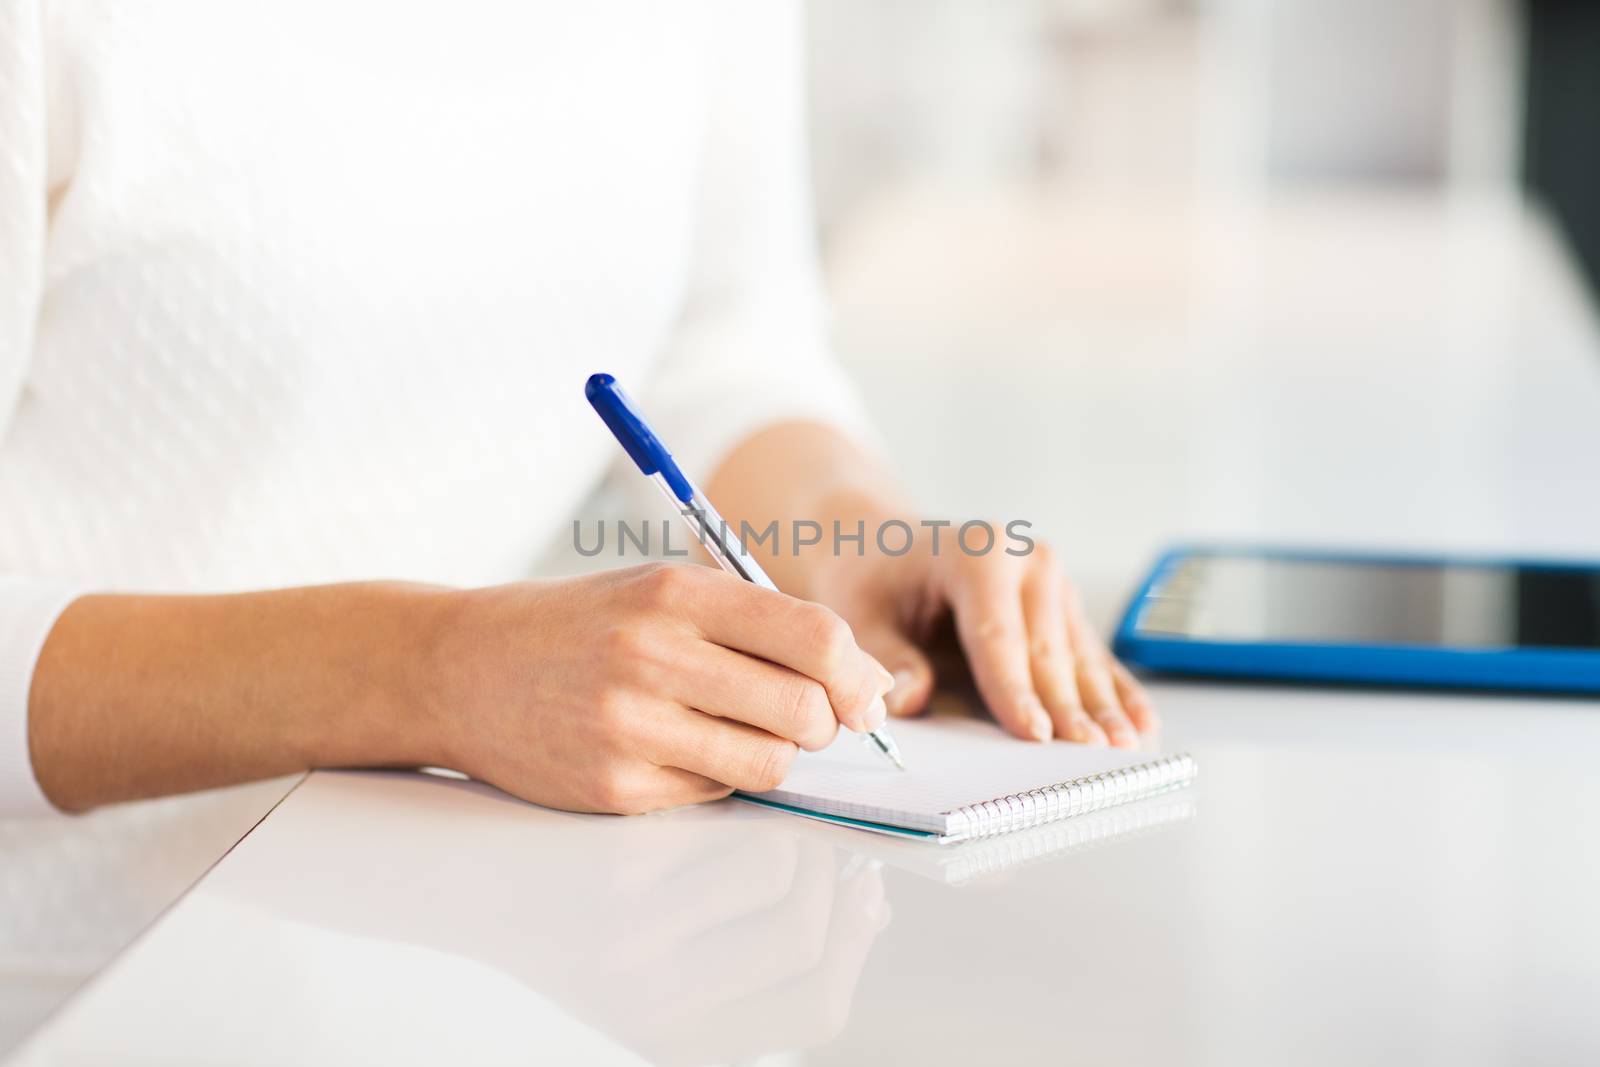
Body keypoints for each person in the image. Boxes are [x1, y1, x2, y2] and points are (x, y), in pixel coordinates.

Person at [0, 1, 1155, 820]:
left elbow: (723, 343)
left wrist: (846, 537)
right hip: (81, 991)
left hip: (517, 926)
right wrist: (423, 673)